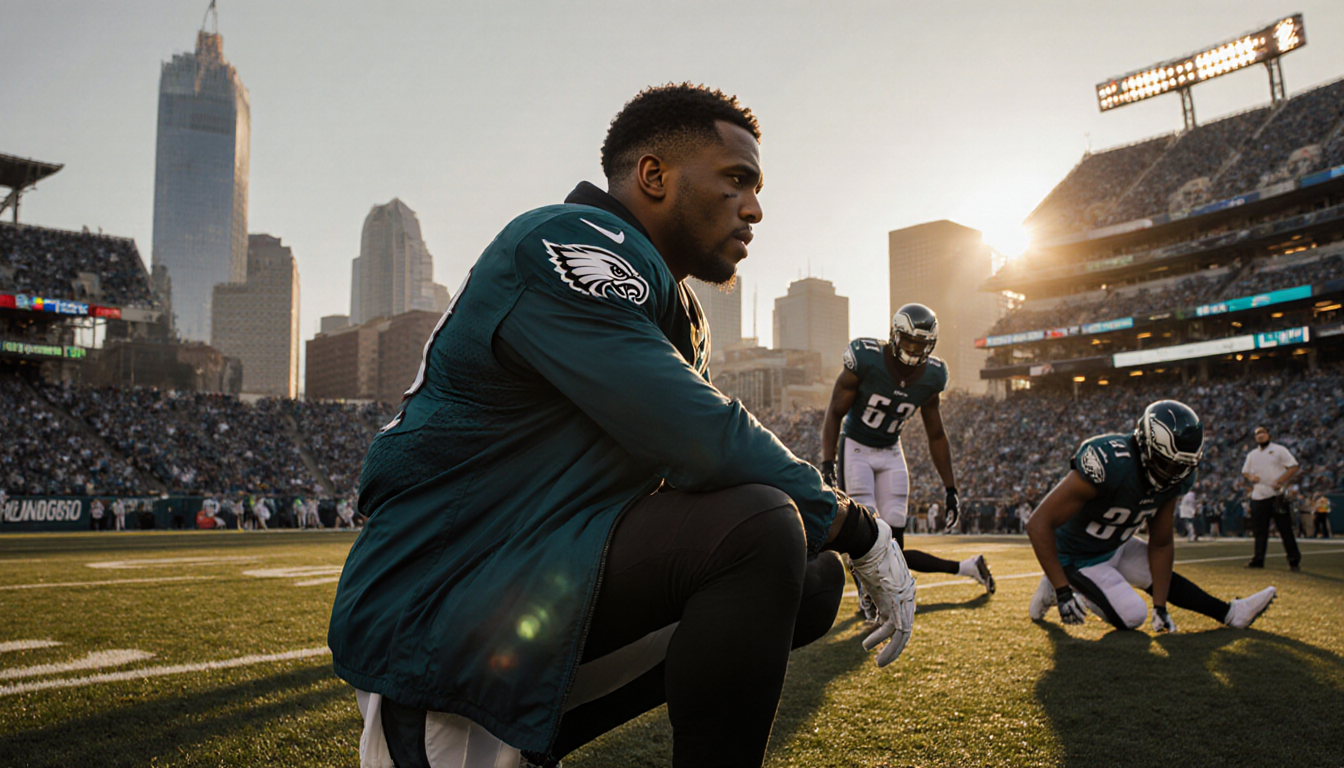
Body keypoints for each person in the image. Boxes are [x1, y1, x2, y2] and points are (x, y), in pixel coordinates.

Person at [328, 84, 916, 768]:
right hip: (447, 601)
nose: (755, 208)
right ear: (655, 175)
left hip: (529, 579)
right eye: (736, 180)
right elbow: (697, 435)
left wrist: (829, 531)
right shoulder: (568, 239)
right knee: (759, 527)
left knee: (809, 579)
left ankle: (529, 730)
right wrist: (857, 524)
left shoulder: (668, 300)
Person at [1026, 400, 1276, 633]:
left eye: (1183, 466)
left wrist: (1160, 607)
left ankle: (1232, 614)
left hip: (1116, 543)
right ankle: (1056, 583)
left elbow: (1161, 542)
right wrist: (1062, 591)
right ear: (1146, 447)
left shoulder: (1176, 478)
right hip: (1076, 556)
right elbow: (1038, 524)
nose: (1175, 474)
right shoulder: (1107, 463)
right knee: (1133, 616)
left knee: (1160, 581)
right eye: (1169, 463)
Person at [820, 303, 996, 617]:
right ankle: (871, 599)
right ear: (895, 335)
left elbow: (937, 435)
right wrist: (827, 463)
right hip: (856, 448)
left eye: (921, 345)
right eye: (910, 342)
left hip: (891, 450)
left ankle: (967, 568)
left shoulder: (932, 376)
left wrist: (951, 488)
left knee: (894, 547)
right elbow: (835, 412)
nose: (914, 350)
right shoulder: (866, 358)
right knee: (867, 535)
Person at [1242, 426, 1301, 571]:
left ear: (1268, 434)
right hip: (1258, 496)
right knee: (1259, 531)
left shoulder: (1279, 450)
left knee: (1285, 529)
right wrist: (1251, 477)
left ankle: (1293, 560)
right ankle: (1258, 559)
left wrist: (1280, 481)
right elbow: (1245, 472)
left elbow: (1293, 467)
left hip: (1277, 496)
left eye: (1262, 432)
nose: (1260, 436)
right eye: (1257, 434)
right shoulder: (1252, 454)